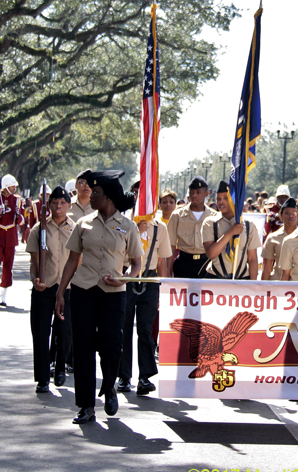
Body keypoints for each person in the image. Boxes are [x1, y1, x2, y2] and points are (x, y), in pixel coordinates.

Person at [54, 171, 143, 424]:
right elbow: (73, 260)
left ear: (109, 197)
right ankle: (85, 405)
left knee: (112, 346)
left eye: (96, 193)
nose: (90, 196)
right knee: (83, 348)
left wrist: (125, 278)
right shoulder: (83, 224)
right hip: (83, 290)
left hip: (113, 293)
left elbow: (137, 264)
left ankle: (110, 387)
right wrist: (61, 291)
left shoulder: (128, 226)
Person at [26, 186, 74, 393]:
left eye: (62, 203)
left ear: (69, 205)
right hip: (45, 286)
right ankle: (42, 377)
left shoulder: (76, 228)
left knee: (64, 331)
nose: (58, 206)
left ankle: (60, 367)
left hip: (68, 286)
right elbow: (35, 260)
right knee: (41, 331)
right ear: (49, 204)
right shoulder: (40, 229)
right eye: (54, 202)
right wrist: (36, 280)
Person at [118, 210, 170, 396]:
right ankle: (123, 376)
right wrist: (137, 233)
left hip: (150, 279)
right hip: (128, 277)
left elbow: (162, 260)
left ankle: (145, 376)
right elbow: (118, 254)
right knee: (123, 328)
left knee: (146, 328)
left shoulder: (160, 227)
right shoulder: (124, 224)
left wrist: (163, 288)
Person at [202, 180, 261, 279]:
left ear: (234, 199)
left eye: (226, 198)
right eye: (218, 198)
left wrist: (253, 285)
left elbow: (252, 259)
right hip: (215, 278)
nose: (221, 202)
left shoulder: (248, 225)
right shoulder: (210, 223)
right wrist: (230, 233)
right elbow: (211, 254)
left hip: (242, 278)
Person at [168, 177, 217, 279]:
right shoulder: (177, 215)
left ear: (206, 194)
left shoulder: (215, 216)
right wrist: (168, 269)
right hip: (183, 263)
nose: (194, 195)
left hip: (207, 263)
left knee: (206, 294)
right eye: (192, 192)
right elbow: (171, 246)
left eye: (198, 192)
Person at [0, 174, 24, 306]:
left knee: (8, 266)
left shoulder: (18, 200)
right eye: (13, 186)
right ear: (7, 186)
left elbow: (21, 221)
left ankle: (3, 295)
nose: (15, 188)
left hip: (11, 237)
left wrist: (18, 216)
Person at [260, 198, 297, 280]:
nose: (291, 216)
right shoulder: (273, 238)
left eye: (294, 213)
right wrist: (262, 289)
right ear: (281, 215)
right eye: (287, 213)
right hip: (278, 284)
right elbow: (267, 267)